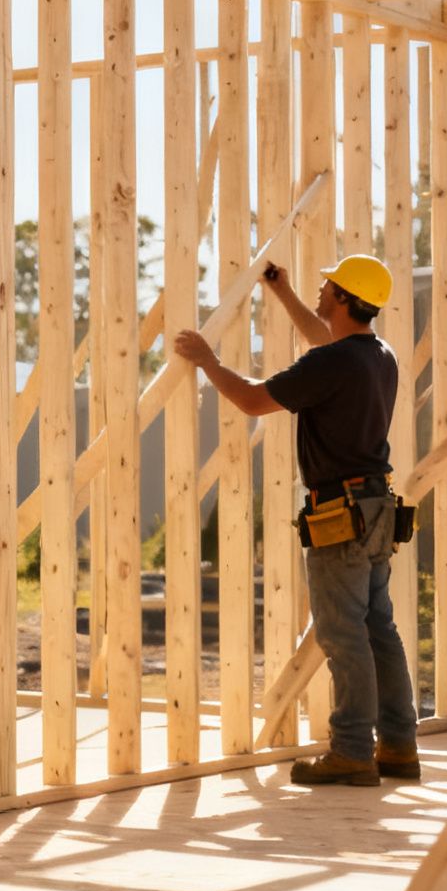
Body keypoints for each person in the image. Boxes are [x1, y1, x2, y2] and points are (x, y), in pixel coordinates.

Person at [173, 254, 418, 787]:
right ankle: (399, 747)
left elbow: (253, 400)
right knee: (379, 629)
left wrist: (207, 359)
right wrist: (283, 293)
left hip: (342, 513)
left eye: (329, 285)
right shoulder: (378, 355)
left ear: (346, 298)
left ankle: (353, 750)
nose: (322, 288)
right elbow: (325, 342)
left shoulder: (334, 364)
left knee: (343, 632)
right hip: (377, 507)